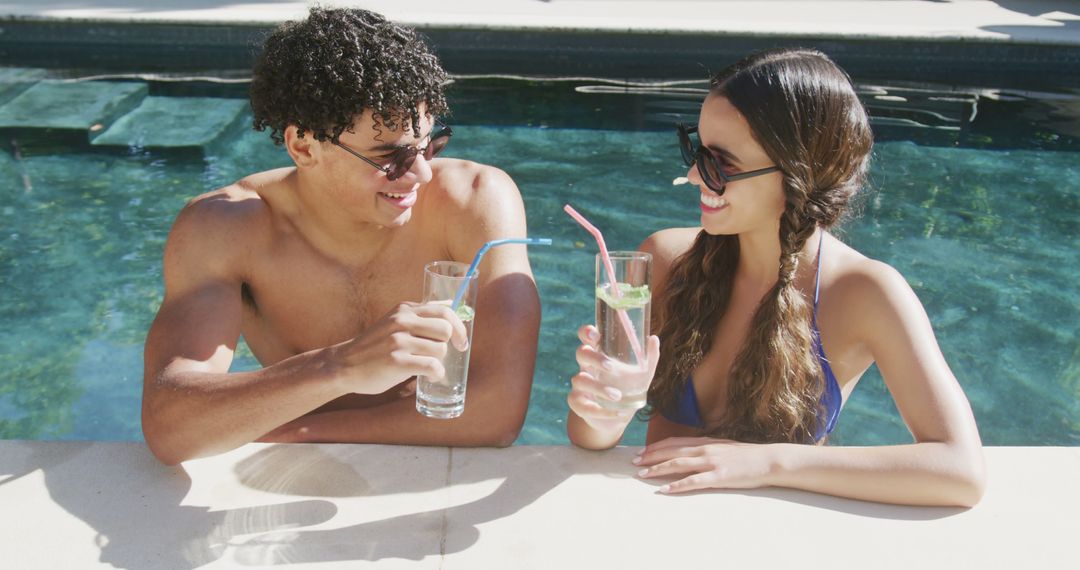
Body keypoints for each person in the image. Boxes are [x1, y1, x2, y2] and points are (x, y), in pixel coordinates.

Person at [566, 48, 986, 506]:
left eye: (721, 164)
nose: (693, 175)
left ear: (798, 173)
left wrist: (766, 462)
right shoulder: (665, 259)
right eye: (696, 150)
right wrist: (610, 409)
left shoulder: (864, 293)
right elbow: (589, 439)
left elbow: (959, 470)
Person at [142, 7, 541, 465]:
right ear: (304, 146)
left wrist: (296, 430)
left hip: (415, 471)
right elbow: (169, 425)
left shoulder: (475, 201)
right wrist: (340, 366)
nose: (422, 173)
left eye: (431, 144)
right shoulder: (227, 229)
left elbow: (498, 414)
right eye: (390, 157)